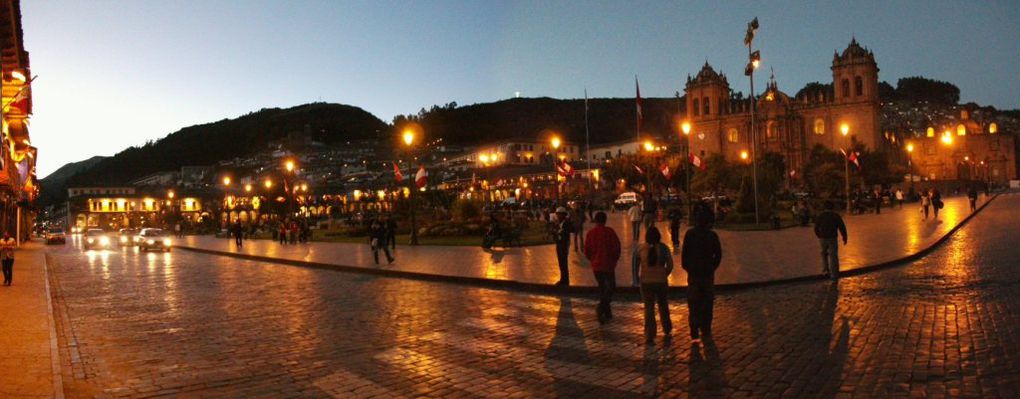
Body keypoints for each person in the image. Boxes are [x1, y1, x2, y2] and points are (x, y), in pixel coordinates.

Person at [681, 210, 722, 342]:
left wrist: (688, 267)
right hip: (707, 273)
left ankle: (694, 326)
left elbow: (684, 254)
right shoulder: (712, 235)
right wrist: (713, 267)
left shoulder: (690, 234)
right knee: (707, 301)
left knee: (694, 301)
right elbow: (718, 254)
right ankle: (706, 328)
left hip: (694, 273)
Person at [632, 227, 673, 344]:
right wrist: (665, 273)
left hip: (646, 282)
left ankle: (650, 334)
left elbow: (634, 265)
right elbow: (670, 264)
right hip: (661, 281)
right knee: (663, 305)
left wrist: (636, 280)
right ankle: (667, 328)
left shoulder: (639, 249)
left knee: (649, 308)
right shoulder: (664, 248)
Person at [584, 212, 621, 323]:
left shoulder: (591, 233)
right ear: (605, 220)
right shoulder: (609, 232)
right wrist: (614, 259)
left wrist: (592, 259)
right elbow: (616, 248)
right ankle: (601, 308)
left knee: (602, 288)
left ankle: (607, 311)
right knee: (611, 287)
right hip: (608, 265)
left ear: (595, 220)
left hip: (596, 265)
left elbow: (587, 250)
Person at [814, 201, 848, 280]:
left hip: (823, 238)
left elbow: (816, 227)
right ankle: (834, 274)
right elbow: (842, 227)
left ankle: (825, 270)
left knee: (823, 254)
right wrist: (844, 237)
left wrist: (819, 235)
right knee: (833, 256)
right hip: (832, 237)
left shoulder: (821, 215)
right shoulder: (835, 215)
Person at [551, 207, 573, 286]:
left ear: (563, 215)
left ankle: (565, 280)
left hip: (564, 243)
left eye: (559, 214)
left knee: (564, 262)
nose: (558, 216)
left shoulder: (566, 222)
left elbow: (570, 230)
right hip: (559, 243)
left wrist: (559, 232)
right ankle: (563, 279)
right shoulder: (559, 222)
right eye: (557, 214)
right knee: (561, 262)